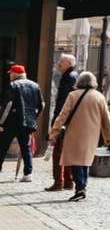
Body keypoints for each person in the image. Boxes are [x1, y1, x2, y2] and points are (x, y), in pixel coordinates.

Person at [49, 71, 110, 203]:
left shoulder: (73, 95)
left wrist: (54, 131)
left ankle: (80, 189)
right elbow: (107, 119)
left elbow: (63, 115)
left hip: (74, 133)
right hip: (92, 134)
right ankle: (82, 187)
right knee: (85, 161)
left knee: (76, 161)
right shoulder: (99, 96)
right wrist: (108, 136)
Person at [1, 63, 42, 182]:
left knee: (2, 146)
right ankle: (28, 174)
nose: (9, 76)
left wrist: (1, 123)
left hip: (11, 122)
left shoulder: (13, 85)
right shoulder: (35, 85)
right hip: (27, 122)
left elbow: (8, 106)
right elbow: (41, 105)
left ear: (15, 74)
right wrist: (33, 117)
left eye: (10, 74)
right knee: (26, 147)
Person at [44, 53, 76, 192]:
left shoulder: (68, 78)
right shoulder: (75, 75)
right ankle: (69, 181)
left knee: (58, 152)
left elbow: (62, 103)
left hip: (64, 121)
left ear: (68, 63)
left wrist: (55, 123)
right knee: (67, 151)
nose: (58, 64)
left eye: (61, 62)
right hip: (72, 121)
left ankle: (58, 182)